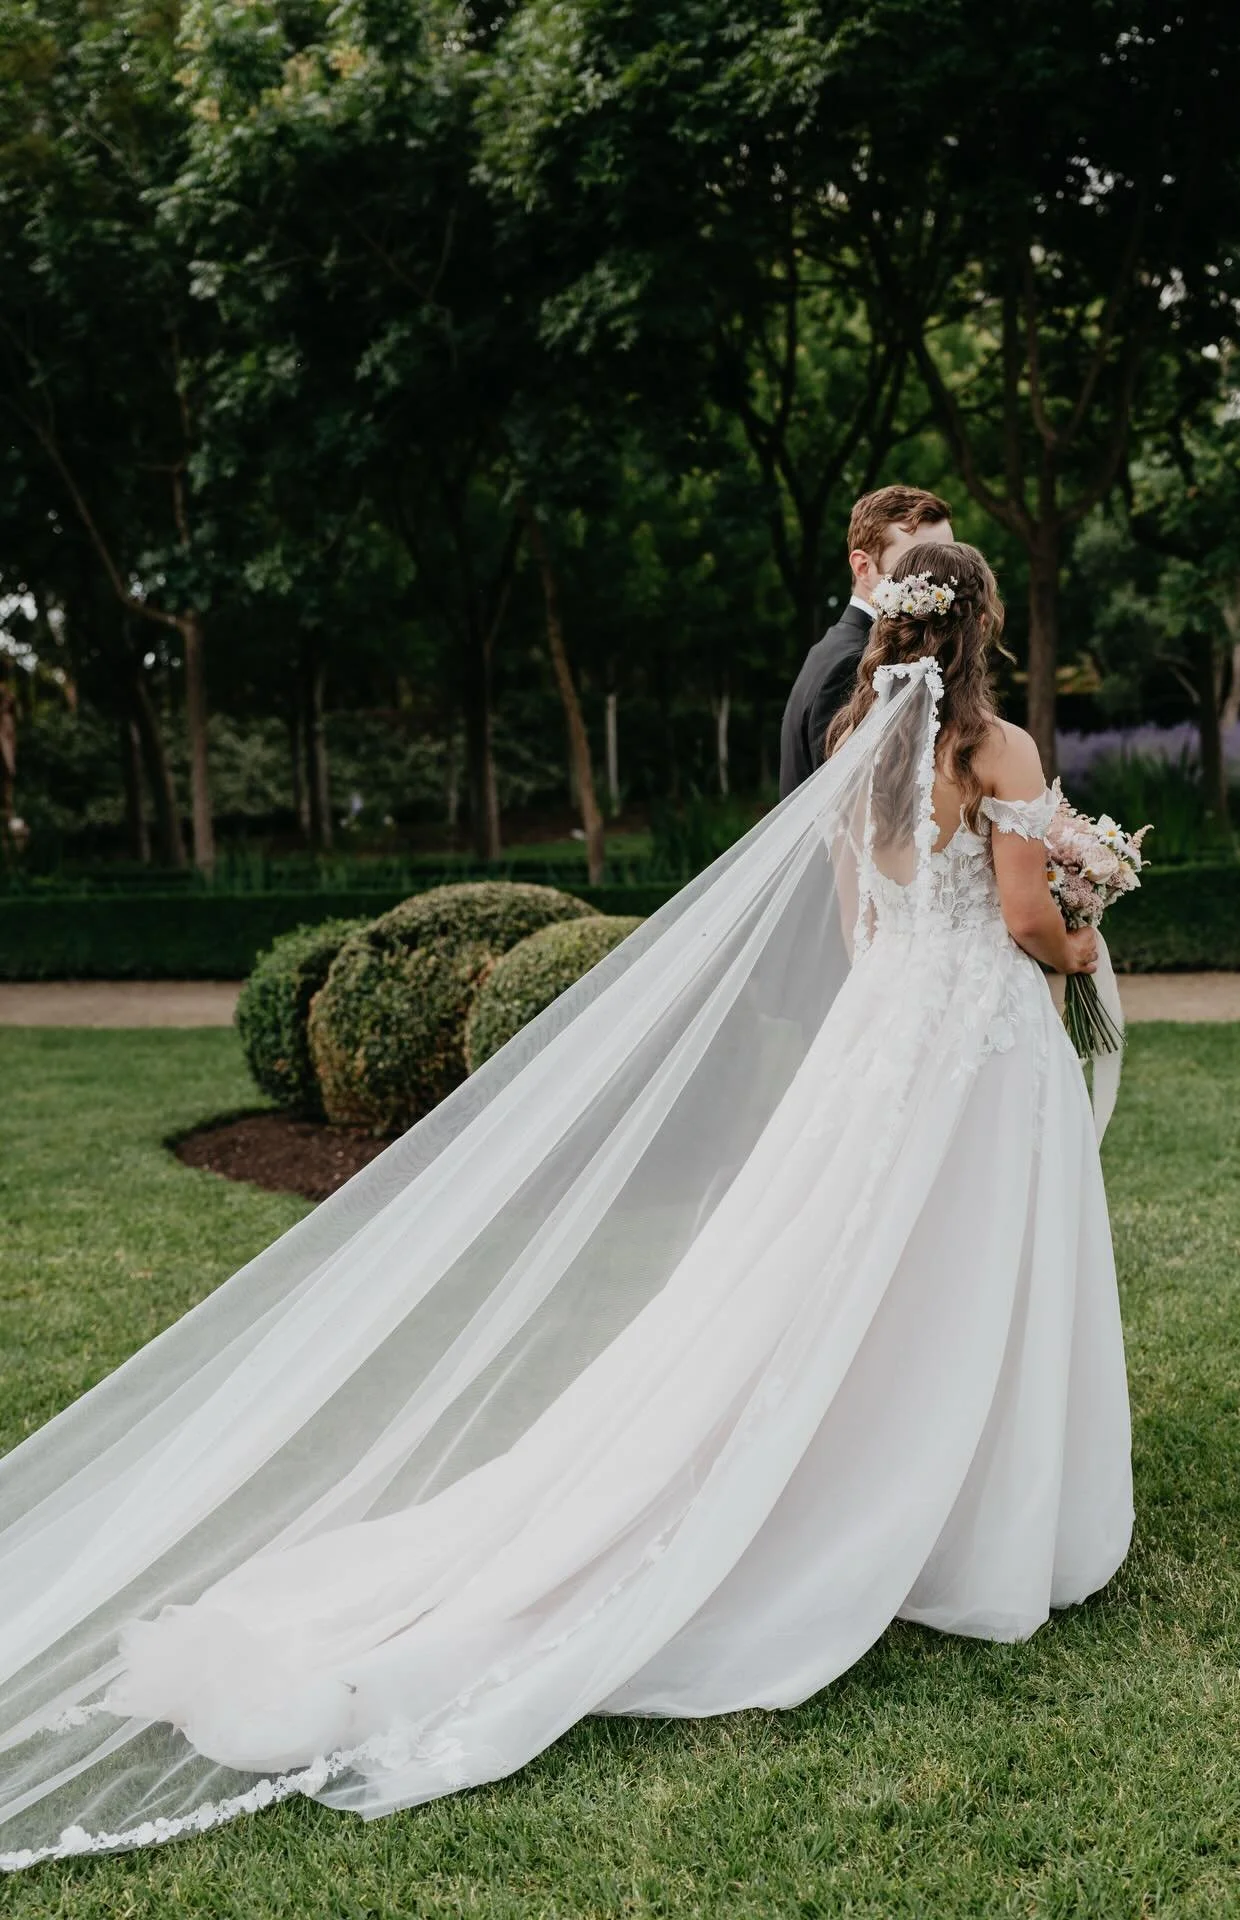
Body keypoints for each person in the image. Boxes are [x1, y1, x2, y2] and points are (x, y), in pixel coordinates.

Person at [0, 542, 1131, 1872]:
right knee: (960, 1276)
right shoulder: (991, 749)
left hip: (881, 1040)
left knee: (826, 1275)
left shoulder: (851, 737)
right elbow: (1020, 921)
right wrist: (1090, 911)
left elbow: (861, 917)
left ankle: (871, 1480)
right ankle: (953, 1513)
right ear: (987, 627)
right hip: (978, 1051)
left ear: (895, 618)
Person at [778, 484, 953, 797]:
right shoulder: (853, 662)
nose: (944, 579)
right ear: (863, 567)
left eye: (950, 559)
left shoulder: (844, 646)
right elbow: (841, 810)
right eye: (920, 564)